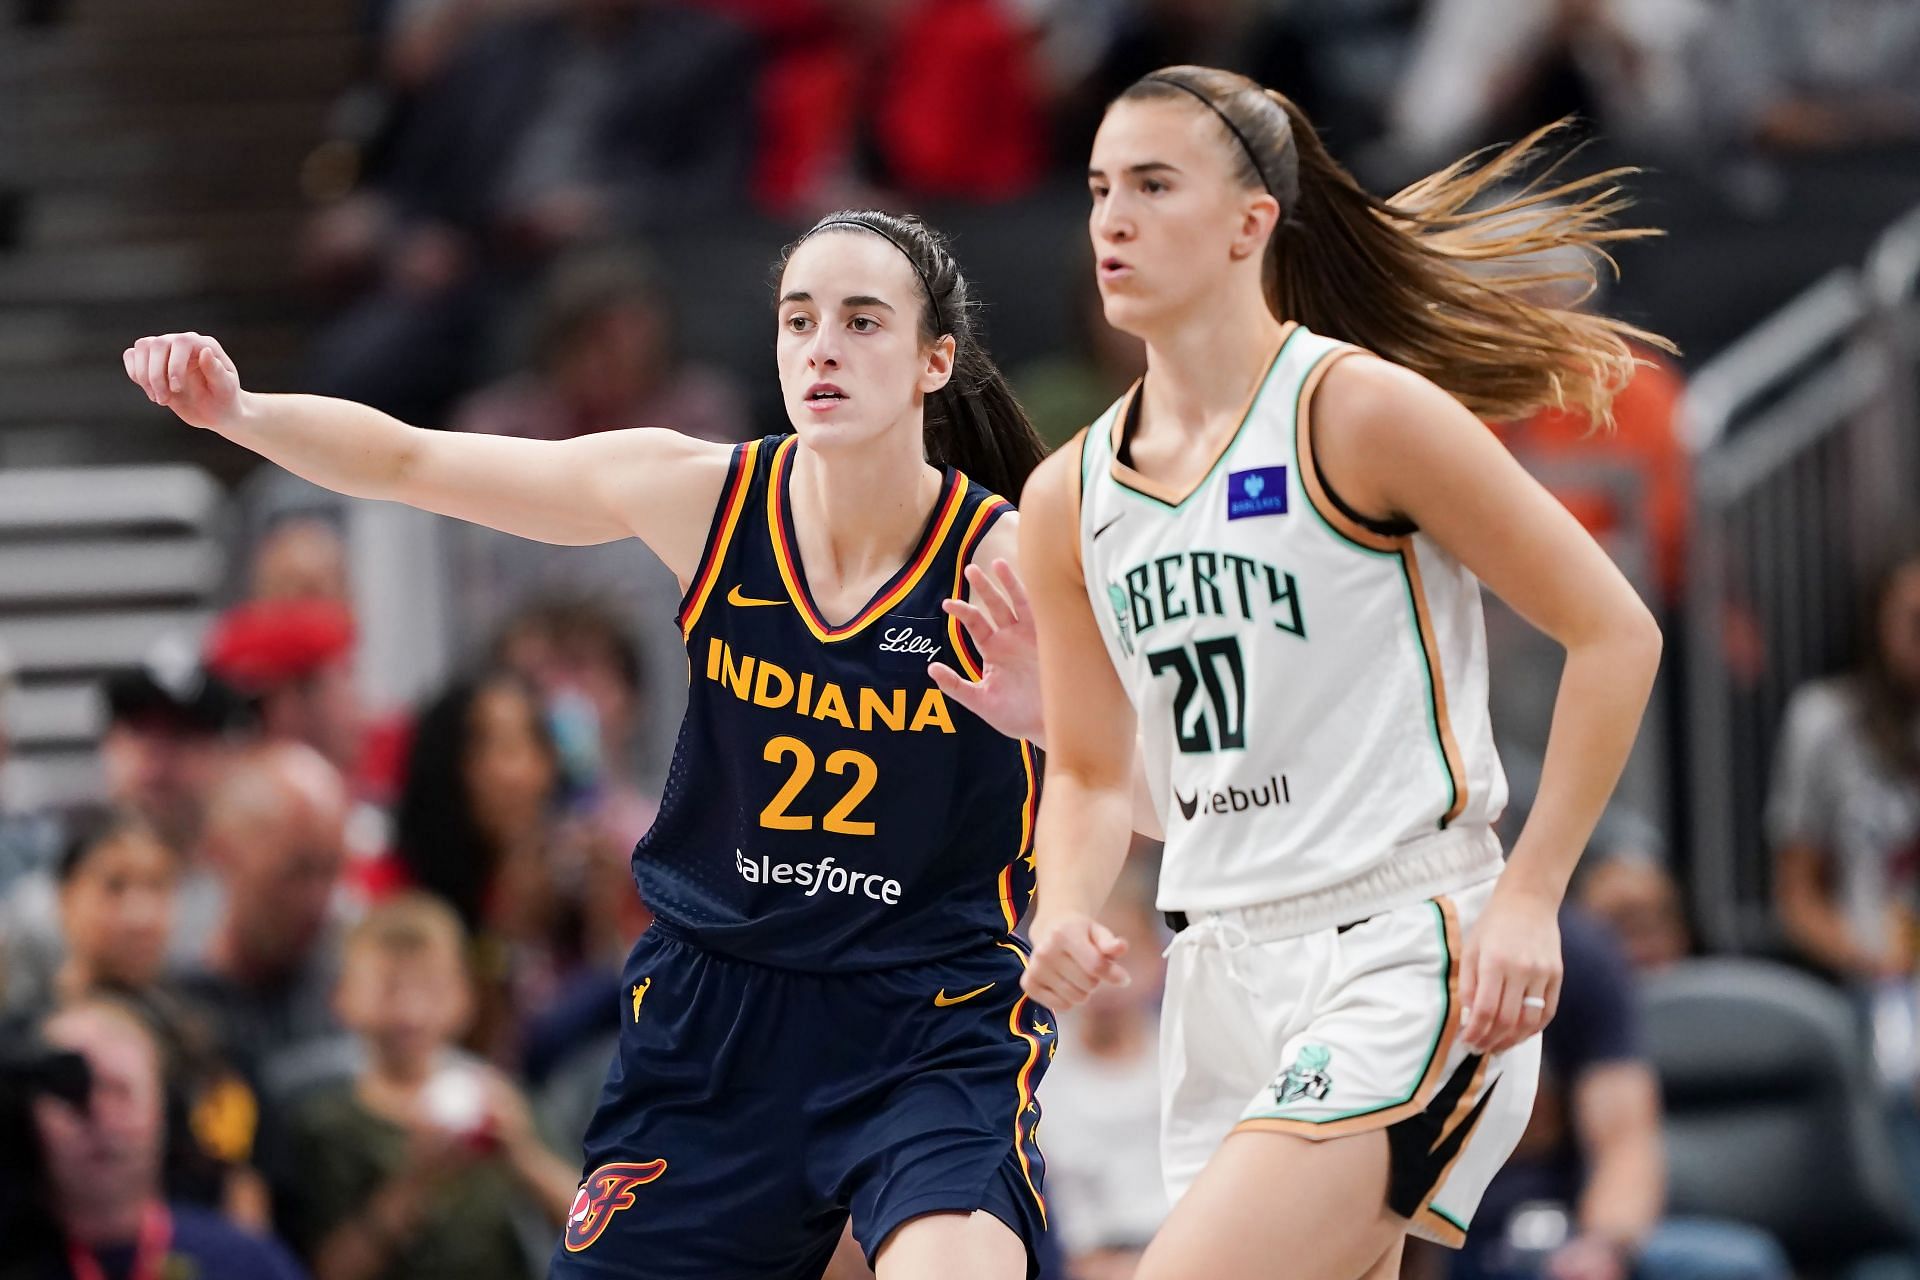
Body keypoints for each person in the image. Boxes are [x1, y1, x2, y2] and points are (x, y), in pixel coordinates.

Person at [122, 206, 1054, 1279]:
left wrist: (1050, 718)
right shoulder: (708, 497)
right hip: (718, 1012)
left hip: (922, 1015)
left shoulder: (1013, 558)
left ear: (936, 358)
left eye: (861, 320)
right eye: (800, 319)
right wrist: (239, 409)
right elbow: (414, 460)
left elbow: (1148, 793)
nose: (824, 347)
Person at [1014, 64, 1666, 1280]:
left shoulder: (1355, 410)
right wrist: (1060, 903)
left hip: (1405, 944)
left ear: (1252, 221)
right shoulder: (1069, 495)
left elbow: (1616, 632)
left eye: (1155, 185)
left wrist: (1530, 895)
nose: (1112, 217)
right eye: (1101, 186)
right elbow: (1098, 774)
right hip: (1215, 969)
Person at [277, 893, 576, 1280]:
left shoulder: (502, 1101)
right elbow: (327, 1269)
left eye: (431, 988)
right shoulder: (322, 1120)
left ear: (464, 998)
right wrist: (416, 1181)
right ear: (344, 996)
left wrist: (524, 1157)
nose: (410, 1012)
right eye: (389, 988)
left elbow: (596, 1224)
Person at [21, 996, 308, 1280]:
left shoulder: (248, 1263)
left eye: (120, 1091)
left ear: (164, 1111)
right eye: (72, 1096)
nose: (100, 1116)